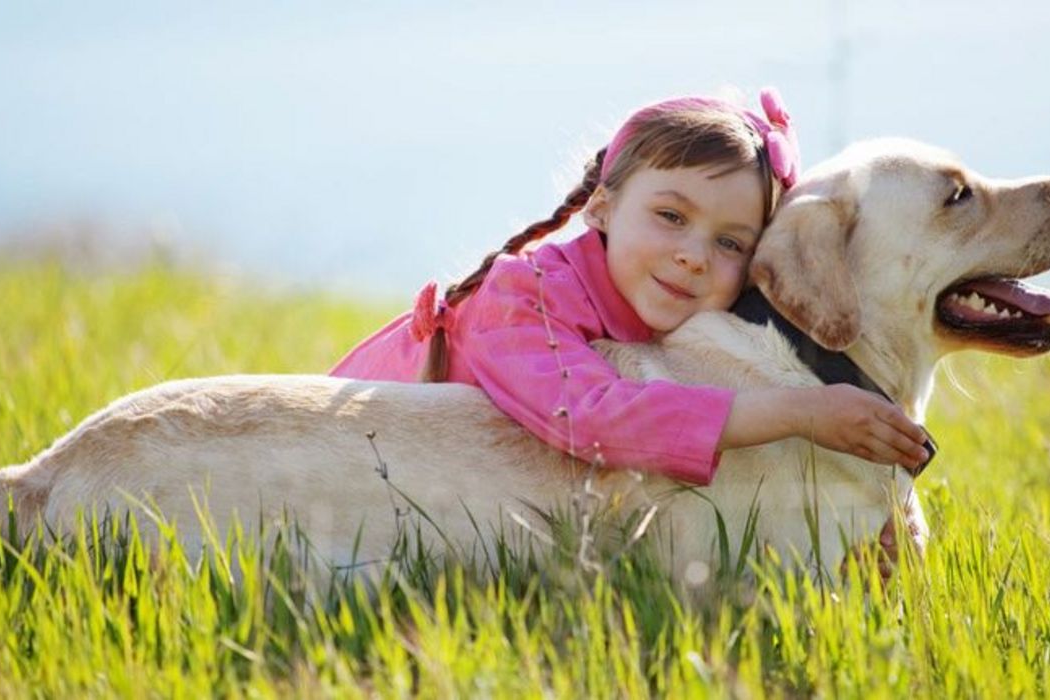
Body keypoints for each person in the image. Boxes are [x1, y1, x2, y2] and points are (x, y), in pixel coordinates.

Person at [331, 88, 930, 488]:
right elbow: (592, 417)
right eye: (671, 216)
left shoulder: (675, 316)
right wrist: (800, 413)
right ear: (601, 207)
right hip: (341, 471)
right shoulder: (521, 296)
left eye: (730, 244)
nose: (693, 257)